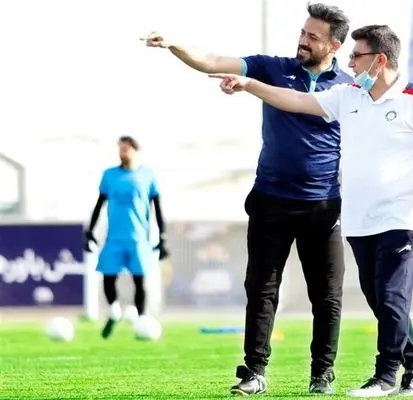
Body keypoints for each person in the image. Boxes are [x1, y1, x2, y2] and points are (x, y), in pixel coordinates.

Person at [208, 24, 413, 397]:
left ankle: (386, 376)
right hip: (359, 218)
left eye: (356, 56)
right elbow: (294, 100)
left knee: (391, 296)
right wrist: (249, 85)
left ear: (380, 60)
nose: (350, 63)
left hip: (399, 216)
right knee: (379, 298)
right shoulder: (349, 95)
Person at [141, 3, 352, 396]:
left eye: (313, 37)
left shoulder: (349, 88)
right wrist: (173, 44)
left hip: (323, 207)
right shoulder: (271, 68)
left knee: (327, 296)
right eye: (302, 32)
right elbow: (210, 61)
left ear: (334, 46)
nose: (303, 41)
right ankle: (254, 372)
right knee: (261, 290)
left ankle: (322, 373)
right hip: (270, 200)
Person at [84, 136, 169, 339]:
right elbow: (100, 203)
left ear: (135, 150)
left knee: (140, 280)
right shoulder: (110, 175)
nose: (122, 153)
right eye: (120, 149)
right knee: (107, 276)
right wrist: (90, 231)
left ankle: (142, 320)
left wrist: (162, 237)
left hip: (139, 239)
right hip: (114, 237)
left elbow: (157, 208)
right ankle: (114, 311)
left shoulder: (147, 175)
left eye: (126, 149)